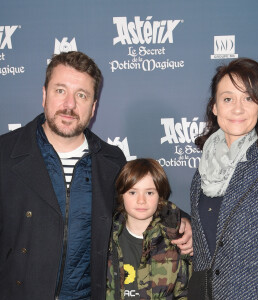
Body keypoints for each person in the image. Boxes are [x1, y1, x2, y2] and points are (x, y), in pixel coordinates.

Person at [0, 51, 192, 300]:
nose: (69, 104)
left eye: (81, 95)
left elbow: (142, 203)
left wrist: (181, 220)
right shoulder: (5, 154)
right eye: (60, 91)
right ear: (44, 95)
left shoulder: (111, 162)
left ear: (93, 107)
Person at [189, 58, 258, 299]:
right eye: (228, 99)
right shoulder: (201, 174)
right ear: (215, 107)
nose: (237, 108)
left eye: (248, 98)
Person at [106, 158, 192, 299]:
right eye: (132, 192)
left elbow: (185, 292)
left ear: (160, 195)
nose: (141, 200)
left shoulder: (176, 239)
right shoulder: (105, 236)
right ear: (121, 195)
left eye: (149, 193)